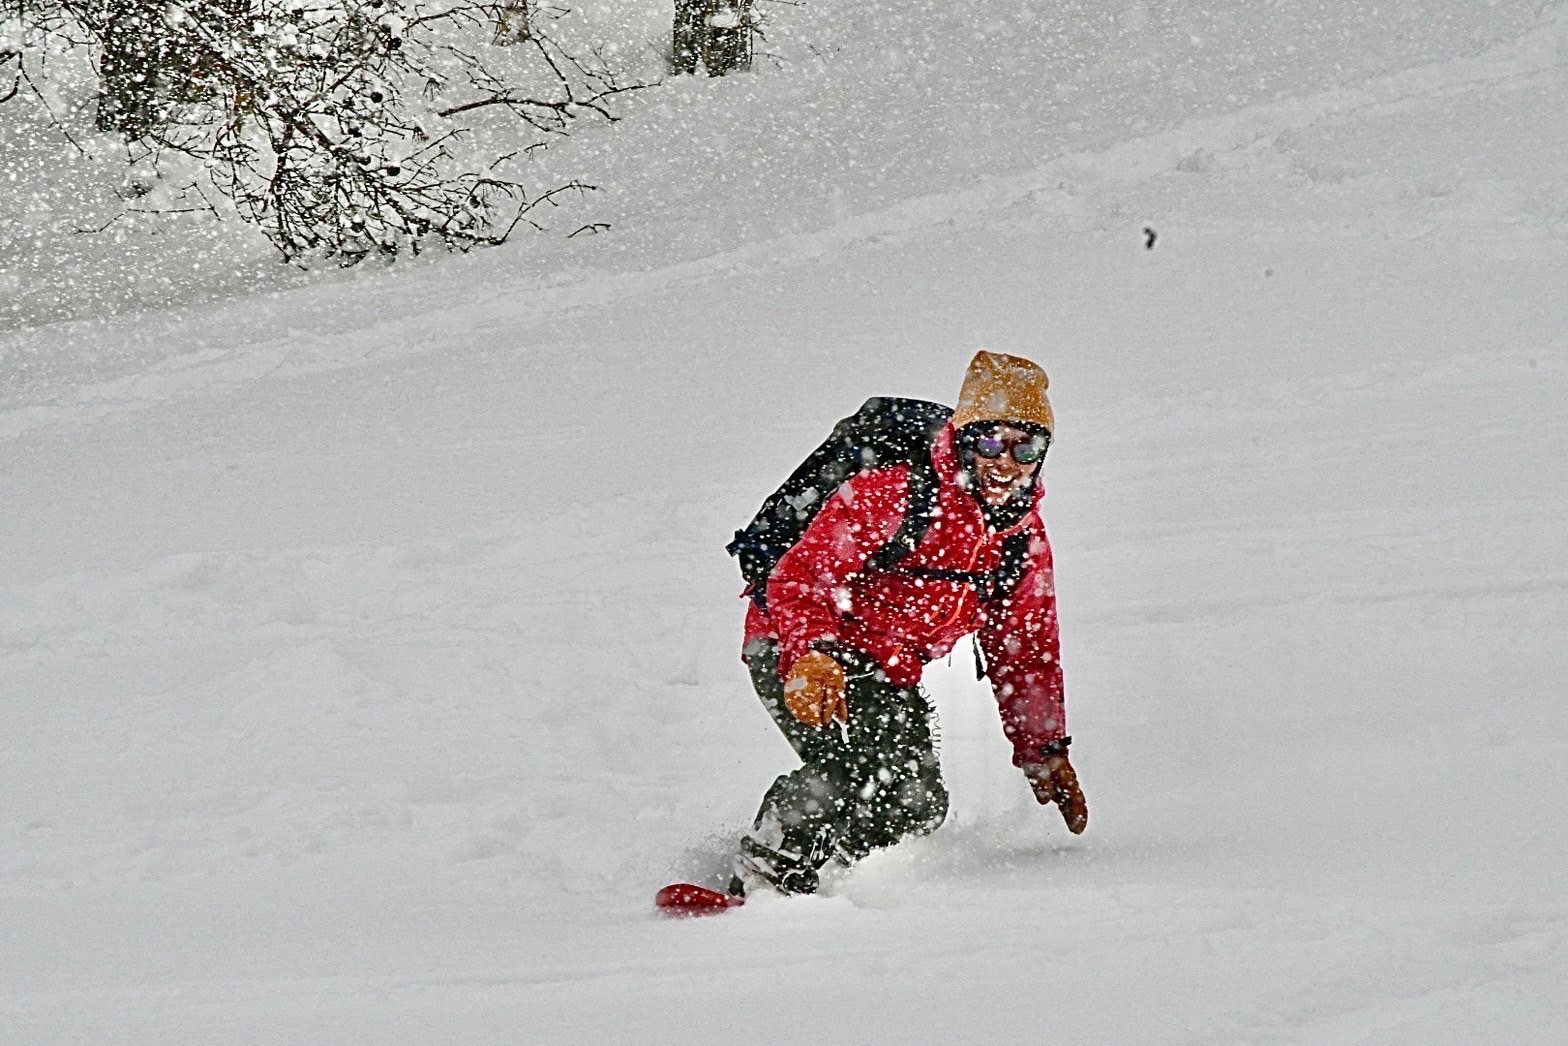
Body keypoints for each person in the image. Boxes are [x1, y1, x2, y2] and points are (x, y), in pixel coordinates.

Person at [731, 350, 1087, 897]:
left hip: (886, 669)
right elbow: (801, 578)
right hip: (800, 644)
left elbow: (1026, 649)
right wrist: (810, 654)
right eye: (991, 441)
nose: (1006, 461)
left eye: (1027, 446)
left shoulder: (1020, 541)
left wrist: (1042, 751)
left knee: (917, 804)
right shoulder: (893, 493)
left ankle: (823, 866)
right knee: (852, 767)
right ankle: (764, 869)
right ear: (966, 438)